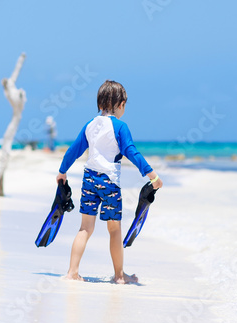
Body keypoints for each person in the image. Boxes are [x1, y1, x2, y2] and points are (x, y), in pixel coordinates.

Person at [56, 80, 163, 284]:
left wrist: (62, 171)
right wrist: (153, 176)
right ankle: (120, 276)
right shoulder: (120, 126)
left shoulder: (90, 125)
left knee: (85, 228)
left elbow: (73, 151)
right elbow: (131, 151)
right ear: (121, 104)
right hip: (109, 183)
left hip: (89, 179)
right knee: (114, 229)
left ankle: (72, 272)